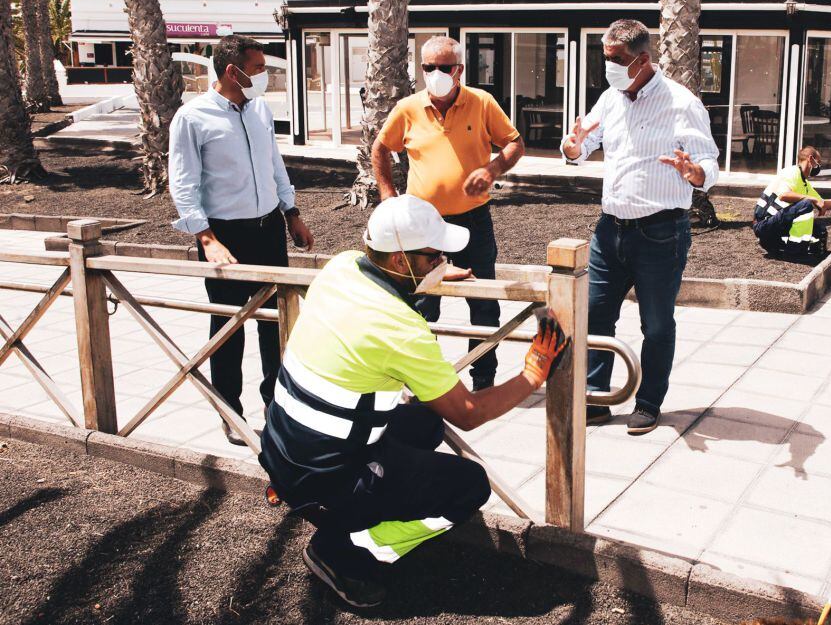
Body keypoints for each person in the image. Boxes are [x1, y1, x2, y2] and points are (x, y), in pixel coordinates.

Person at [259, 194, 567, 609]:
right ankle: (346, 550)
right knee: (469, 484)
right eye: (433, 255)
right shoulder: (400, 328)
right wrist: (533, 374)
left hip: (282, 446)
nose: (441, 259)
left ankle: (328, 504)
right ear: (402, 261)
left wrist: (430, 275)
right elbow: (468, 413)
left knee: (426, 425)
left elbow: (384, 299)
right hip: (320, 473)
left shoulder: (343, 266)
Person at [560, 19, 719, 435]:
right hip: (609, 230)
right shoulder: (611, 99)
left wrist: (695, 173)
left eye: (616, 59)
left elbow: (710, 163)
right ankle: (595, 397)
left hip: (660, 232)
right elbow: (582, 145)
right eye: (605, 57)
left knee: (657, 322)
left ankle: (648, 402)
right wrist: (572, 146)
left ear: (643, 59)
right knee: (595, 315)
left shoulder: (681, 103)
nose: (608, 66)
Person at [168, 34, 315, 445]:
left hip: (269, 228)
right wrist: (207, 238)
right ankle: (229, 409)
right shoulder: (192, 117)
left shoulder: (261, 110)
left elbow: (274, 163)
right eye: (258, 68)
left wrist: (292, 214)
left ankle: (276, 403)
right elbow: (182, 183)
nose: (264, 75)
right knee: (228, 326)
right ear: (233, 71)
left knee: (277, 324)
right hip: (225, 234)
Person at [372, 36, 525, 392]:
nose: (436, 74)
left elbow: (515, 142)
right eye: (428, 67)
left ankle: (482, 379)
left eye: (444, 68)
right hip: (420, 228)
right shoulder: (408, 108)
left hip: (473, 221)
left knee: (483, 303)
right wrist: (387, 197)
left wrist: (491, 170)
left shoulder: (481, 102)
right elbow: (380, 148)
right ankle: (423, 382)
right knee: (422, 306)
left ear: (459, 70)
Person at [752, 146, 831, 259]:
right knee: (806, 205)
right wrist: (811, 199)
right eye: (818, 163)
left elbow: (825, 204)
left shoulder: (804, 182)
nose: (819, 167)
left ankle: (786, 246)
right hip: (763, 225)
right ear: (810, 159)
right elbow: (783, 195)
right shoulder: (791, 172)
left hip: (775, 227)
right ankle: (795, 250)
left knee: (819, 230)